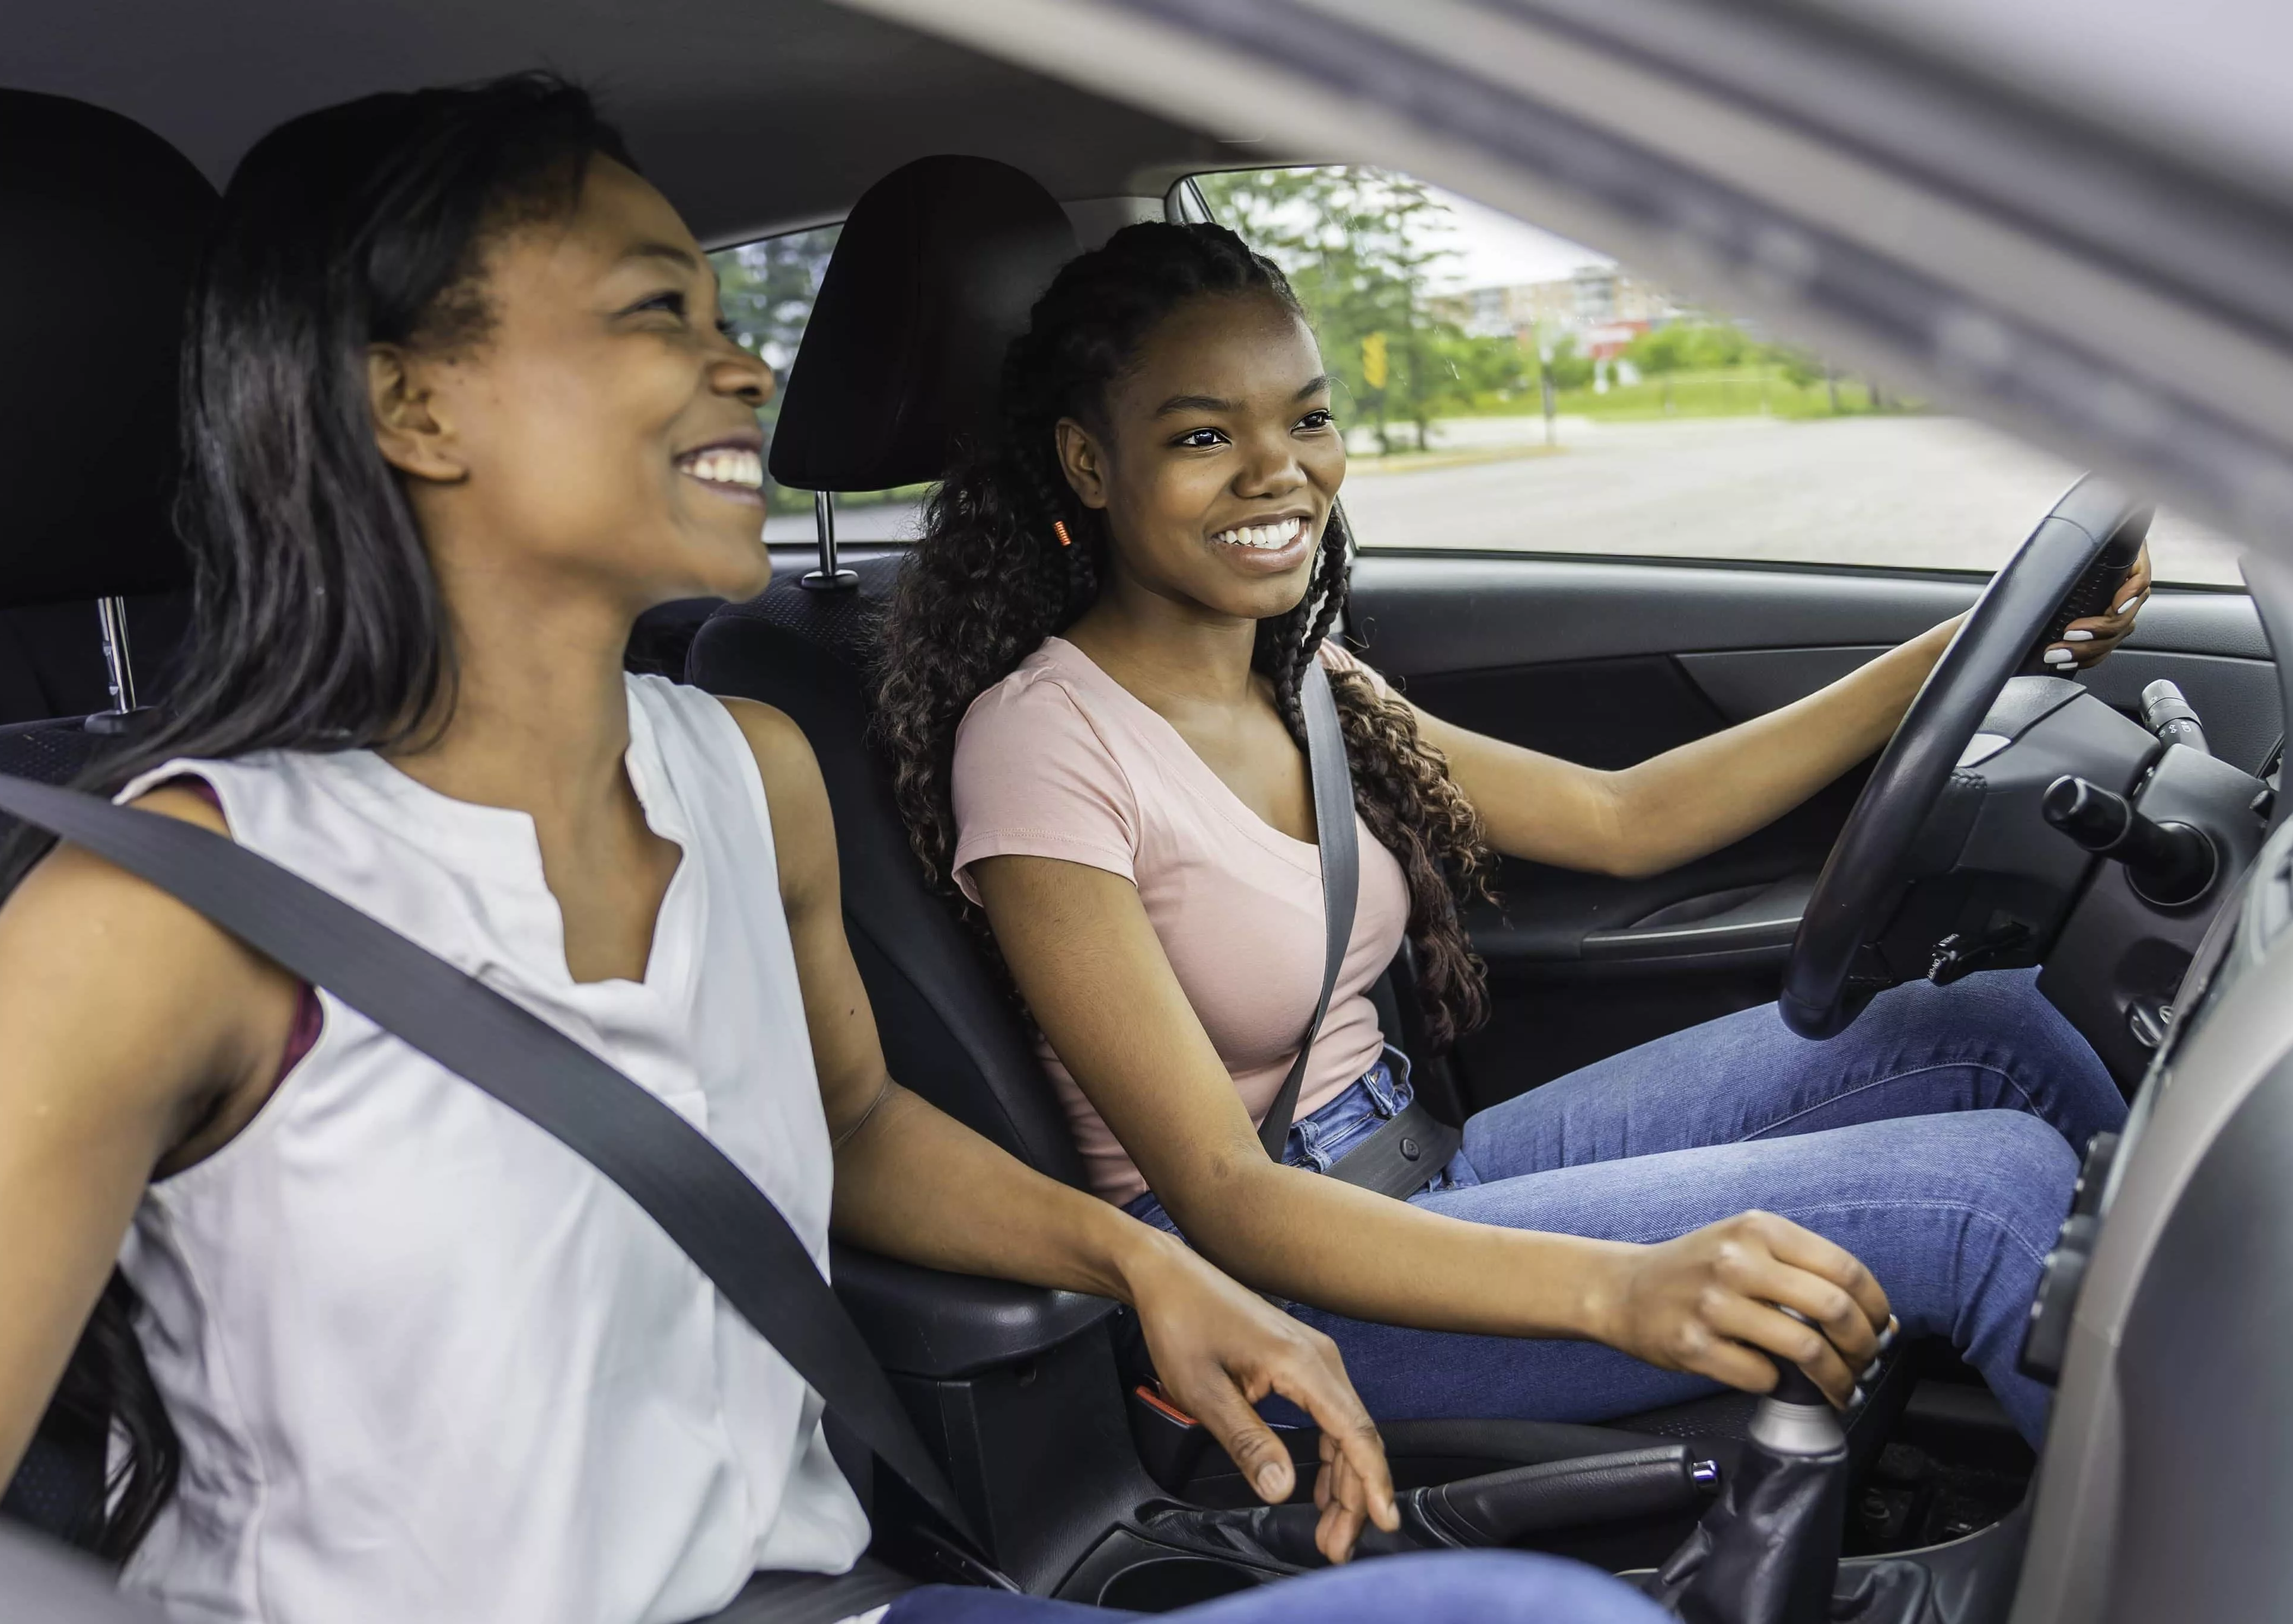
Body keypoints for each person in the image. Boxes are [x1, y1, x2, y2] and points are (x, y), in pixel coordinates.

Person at [0, 80, 1674, 1624]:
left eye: (719, 305)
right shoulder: (163, 913)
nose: (745, 364)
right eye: (651, 311)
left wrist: (1146, 1262)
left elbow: (845, 1130)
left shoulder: (746, 767)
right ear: (409, 405)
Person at [877, 222, 2140, 1448]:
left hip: (1422, 1164)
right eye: (1203, 435)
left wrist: (1971, 644)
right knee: (1983, 1193)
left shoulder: (1303, 669)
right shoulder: (1040, 742)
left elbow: (1622, 816)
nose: (1280, 470)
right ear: (1089, 466)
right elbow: (1227, 1195)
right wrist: (1621, 1288)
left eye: (1307, 418)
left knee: (1990, 1024)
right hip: (1273, 1293)